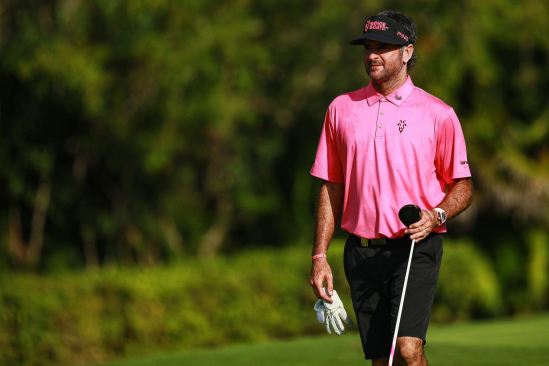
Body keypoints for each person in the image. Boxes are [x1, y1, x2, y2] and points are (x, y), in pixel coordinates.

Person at [309, 10, 474, 366]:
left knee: (409, 350)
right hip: (361, 252)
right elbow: (330, 186)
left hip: (416, 247)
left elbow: (462, 186)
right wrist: (319, 257)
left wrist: (437, 215)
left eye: (383, 47)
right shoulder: (340, 109)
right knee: (383, 360)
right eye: (368, 47)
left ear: (407, 52)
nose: (372, 55)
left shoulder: (438, 113)